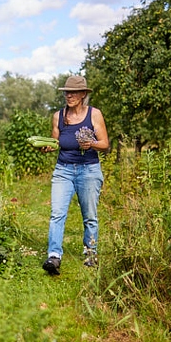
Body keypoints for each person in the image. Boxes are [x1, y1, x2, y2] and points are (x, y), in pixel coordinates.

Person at [41, 75, 109, 275]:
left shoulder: (94, 115)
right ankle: (54, 256)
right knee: (57, 214)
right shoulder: (58, 116)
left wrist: (92, 144)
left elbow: (105, 144)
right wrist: (47, 148)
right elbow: (55, 142)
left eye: (73, 92)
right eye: (66, 92)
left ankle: (90, 254)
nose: (69, 95)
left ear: (82, 95)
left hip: (89, 169)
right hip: (63, 170)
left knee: (89, 217)